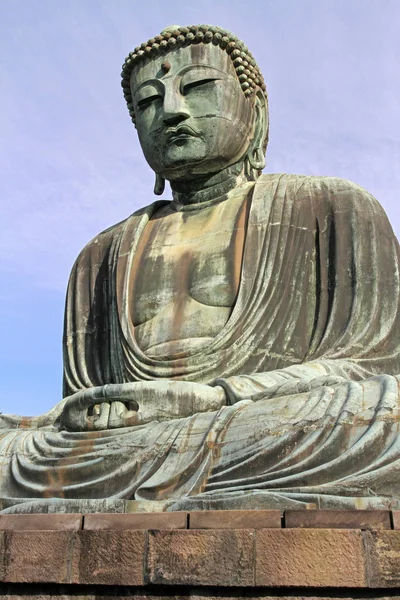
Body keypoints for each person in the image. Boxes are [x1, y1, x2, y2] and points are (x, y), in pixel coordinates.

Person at [1, 25, 400, 514]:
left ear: (253, 109)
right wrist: (83, 415)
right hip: (119, 447)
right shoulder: (99, 256)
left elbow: (372, 365)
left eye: (196, 87)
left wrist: (211, 398)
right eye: (148, 102)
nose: (170, 111)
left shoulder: (333, 207)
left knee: (383, 415)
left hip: (256, 424)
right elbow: (83, 409)